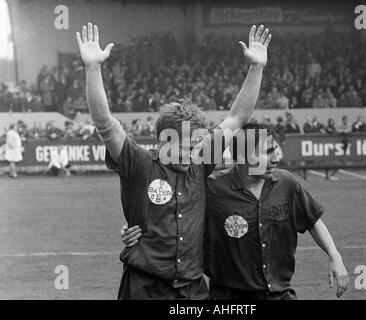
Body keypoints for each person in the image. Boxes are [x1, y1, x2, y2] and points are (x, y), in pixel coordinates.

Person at [76, 22, 271, 299]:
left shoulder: (201, 163)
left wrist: (256, 68)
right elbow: (105, 123)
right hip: (145, 287)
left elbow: (237, 117)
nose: (195, 153)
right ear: (165, 140)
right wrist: (93, 68)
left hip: (191, 288)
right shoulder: (140, 164)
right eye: (189, 146)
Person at [122, 123, 350, 299]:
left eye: (275, 150)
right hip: (229, 296)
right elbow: (175, 207)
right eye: (267, 152)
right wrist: (134, 226)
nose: (276, 158)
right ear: (241, 156)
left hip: (280, 293)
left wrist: (335, 257)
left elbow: (312, 220)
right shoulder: (212, 187)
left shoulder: (287, 183)